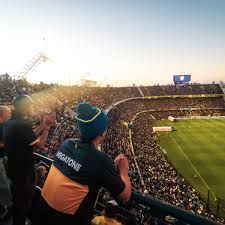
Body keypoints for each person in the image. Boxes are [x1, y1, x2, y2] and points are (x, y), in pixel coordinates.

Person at [34, 102, 131, 225]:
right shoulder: (100, 159)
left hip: (41, 215)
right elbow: (125, 196)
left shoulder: (66, 144)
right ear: (102, 132)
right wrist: (124, 170)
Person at [3, 95, 55, 225]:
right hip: (24, 173)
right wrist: (47, 127)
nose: (33, 107)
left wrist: (42, 124)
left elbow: (29, 137)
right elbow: (40, 144)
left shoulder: (9, 122)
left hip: (12, 169)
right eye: (31, 105)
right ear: (25, 108)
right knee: (23, 205)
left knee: (16, 201)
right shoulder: (23, 124)